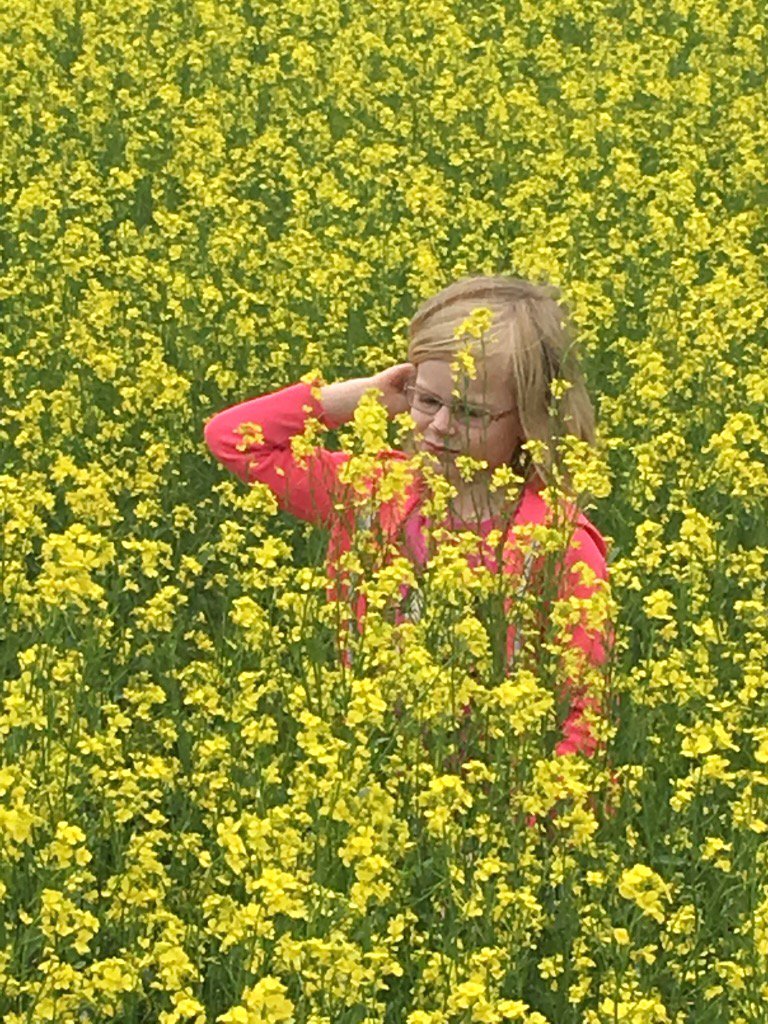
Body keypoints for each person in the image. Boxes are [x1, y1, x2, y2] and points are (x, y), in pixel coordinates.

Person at [204, 275, 612, 765]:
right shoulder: (371, 490)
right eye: (428, 400)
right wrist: (363, 397)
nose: (440, 427)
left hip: (500, 787)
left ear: (530, 418)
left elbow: (586, 710)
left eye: (470, 412)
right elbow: (233, 438)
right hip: (366, 762)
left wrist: (533, 827)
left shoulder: (558, 542)